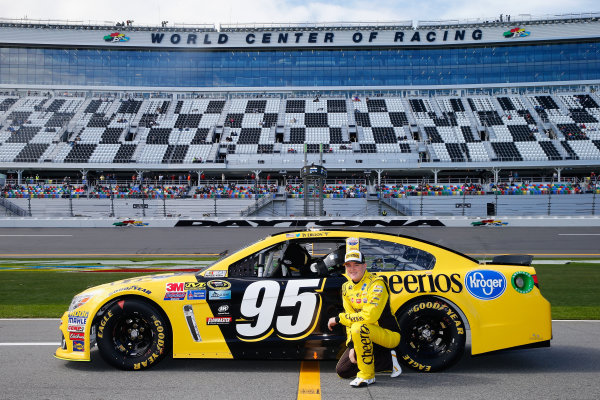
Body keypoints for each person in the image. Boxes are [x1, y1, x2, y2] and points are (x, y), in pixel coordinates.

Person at [328, 250, 402, 387]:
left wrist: (339, 319)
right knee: (343, 370)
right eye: (348, 265)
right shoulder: (346, 287)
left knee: (358, 327)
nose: (352, 269)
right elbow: (350, 322)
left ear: (364, 266)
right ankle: (388, 360)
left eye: (356, 264)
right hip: (362, 334)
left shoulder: (377, 283)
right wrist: (351, 346)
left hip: (387, 334)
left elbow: (370, 316)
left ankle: (367, 376)